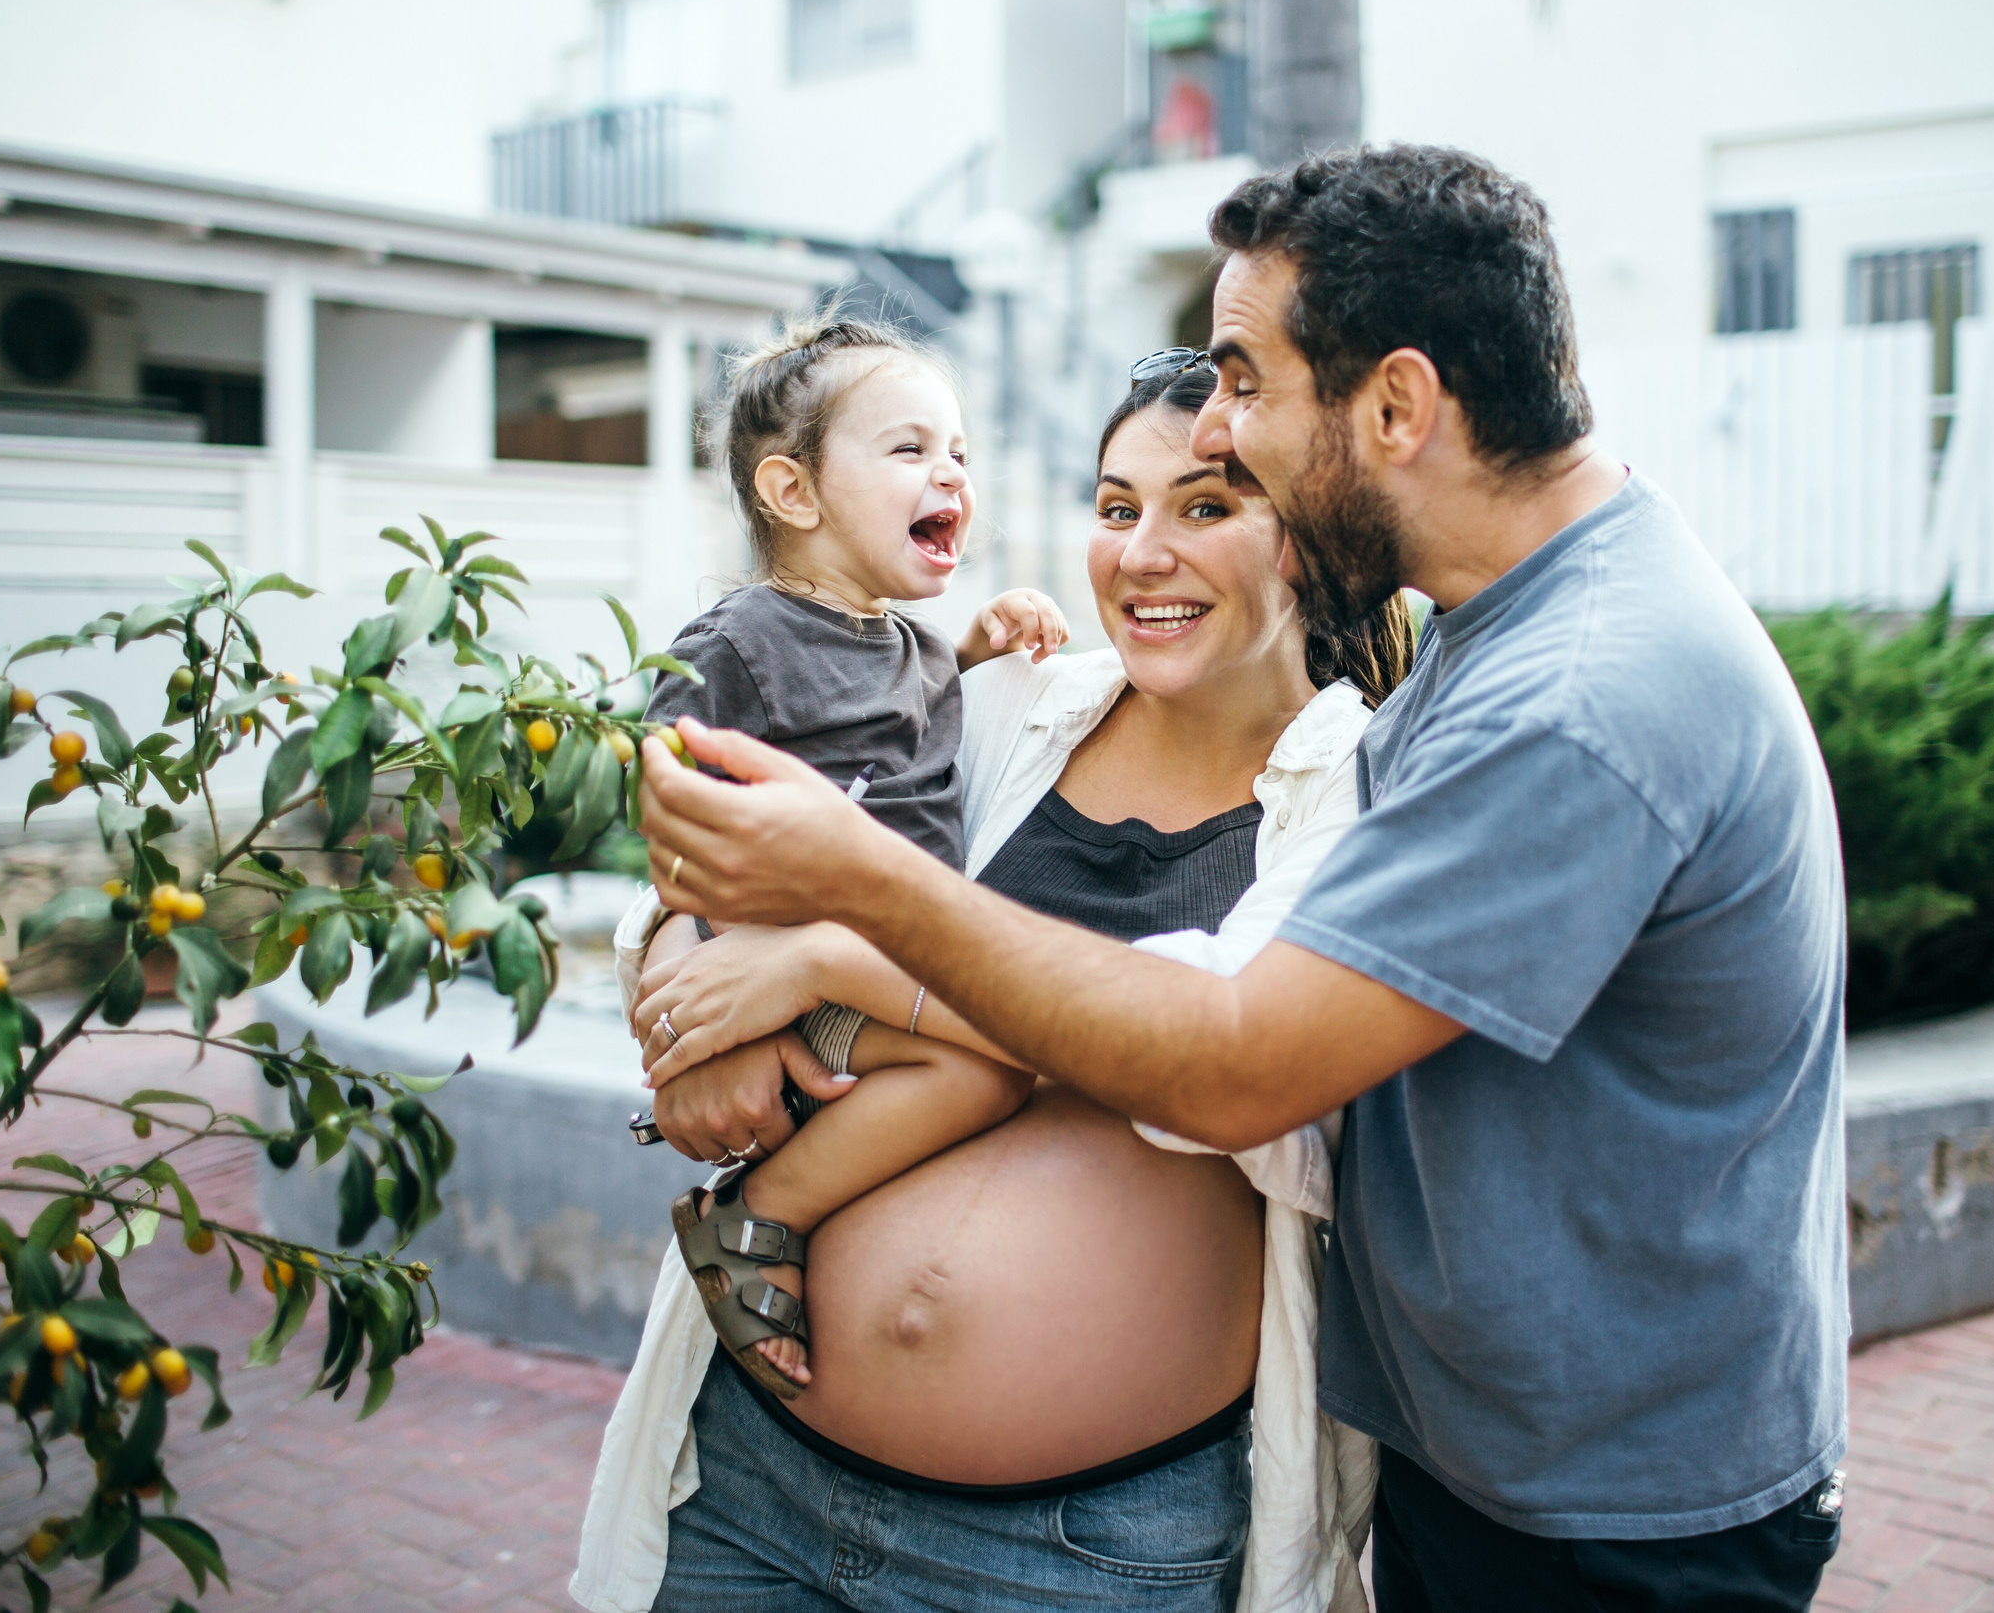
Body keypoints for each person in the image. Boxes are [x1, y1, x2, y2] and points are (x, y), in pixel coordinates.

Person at [632, 144, 1855, 1613]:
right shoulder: (1496, 639)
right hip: (1485, 1467)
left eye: (1244, 387)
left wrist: (853, 928)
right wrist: (703, 968)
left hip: (1611, 1514)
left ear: (1396, 405)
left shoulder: (1578, 695)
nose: (1219, 422)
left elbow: (1231, 1060)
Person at [572, 356, 1416, 1613]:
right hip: (752, 1479)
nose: (1140, 554)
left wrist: (826, 960)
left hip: (1075, 1553)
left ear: (1310, 536)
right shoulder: (1009, 703)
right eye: (1117, 507)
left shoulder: (1368, 790)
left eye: (1205, 506)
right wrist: (699, 989)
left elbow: (1215, 1065)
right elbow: (732, 847)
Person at [637, 312, 1070, 1397]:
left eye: (960, 452)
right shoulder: (738, 643)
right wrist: (698, 1010)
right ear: (792, 493)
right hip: (796, 980)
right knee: (982, 1068)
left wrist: (983, 644)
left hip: (886, 967)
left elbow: (908, 733)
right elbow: (673, 825)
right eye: (911, 449)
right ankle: (758, 1215)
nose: (951, 474)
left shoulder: (915, 643)